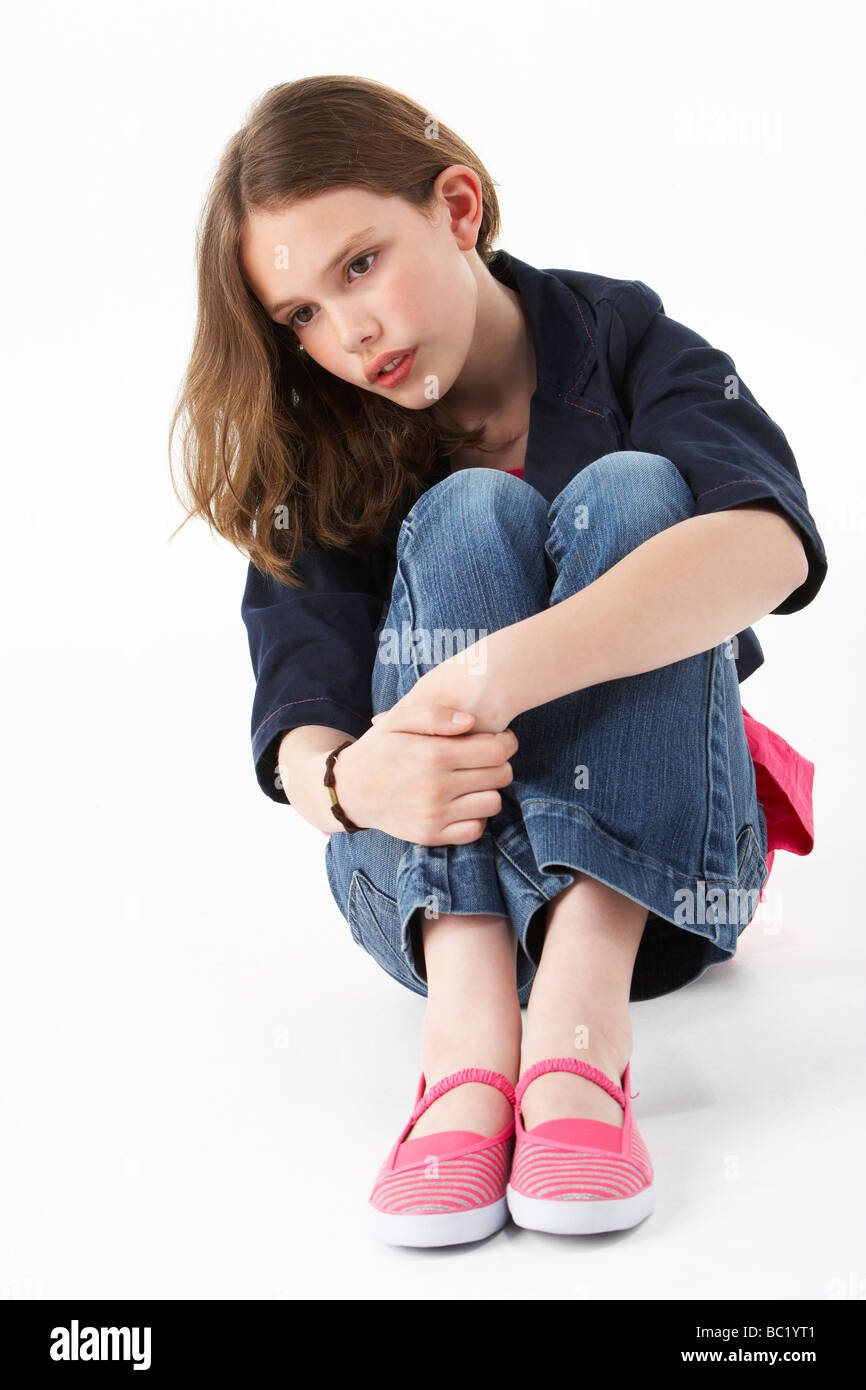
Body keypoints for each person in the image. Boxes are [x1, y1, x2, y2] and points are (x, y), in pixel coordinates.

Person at [169, 75, 826, 1247]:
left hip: (664, 892)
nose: (346, 332)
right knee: (468, 511)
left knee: (635, 489)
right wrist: (347, 783)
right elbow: (300, 699)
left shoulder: (620, 335)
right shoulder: (323, 440)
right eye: (300, 316)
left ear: (457, 206)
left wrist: (494, 675)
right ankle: (466, 1053)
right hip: (432, 905)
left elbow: (767, 545)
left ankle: (579, 1030)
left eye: (358, 265)